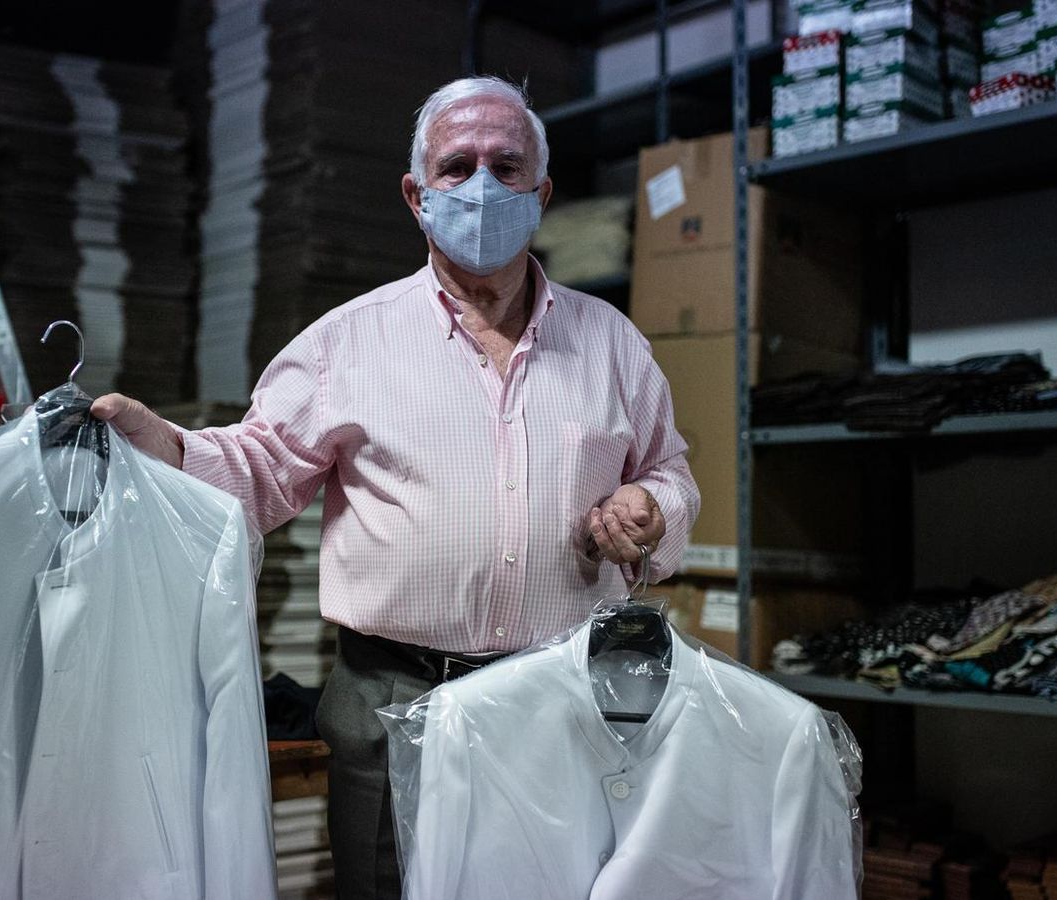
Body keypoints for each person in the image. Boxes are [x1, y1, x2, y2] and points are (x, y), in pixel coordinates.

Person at [92, 75, 699, 900]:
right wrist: (162, 447)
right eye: (457, 167)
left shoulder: (613, 346)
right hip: (390, 699)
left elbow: (669, 470)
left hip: (559, 699)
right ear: (417, 195)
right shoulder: (348, 342)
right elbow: (260, 469)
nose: (482, 186)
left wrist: (654, 508)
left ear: (541, 192)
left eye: (506, 165)